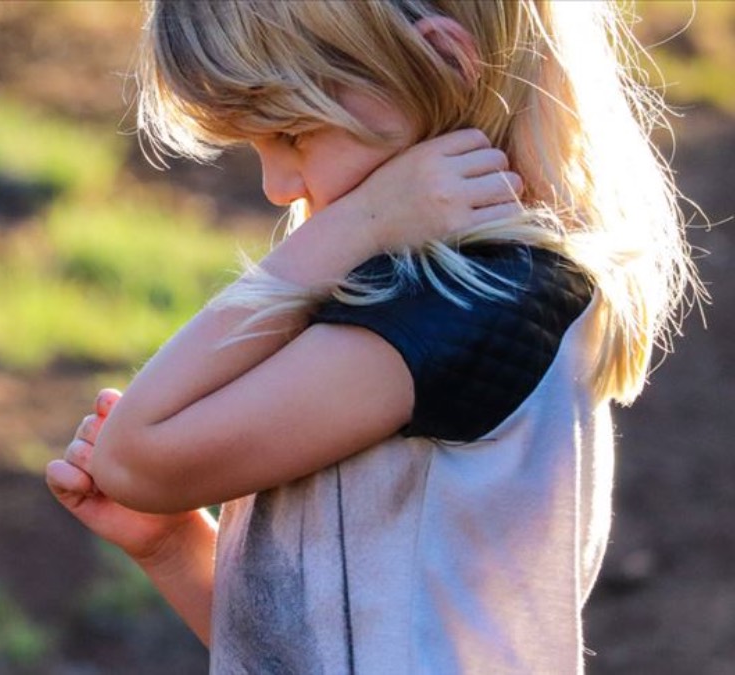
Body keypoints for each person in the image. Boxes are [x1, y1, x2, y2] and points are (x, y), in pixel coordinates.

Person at [46, 1, 702, 672]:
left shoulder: (466, 305)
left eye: (293, 133)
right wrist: (172, 547)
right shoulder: (429, 292)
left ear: (442, 62)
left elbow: (135, 457)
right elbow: (315, 650)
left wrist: (349, 226)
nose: (277, 187)